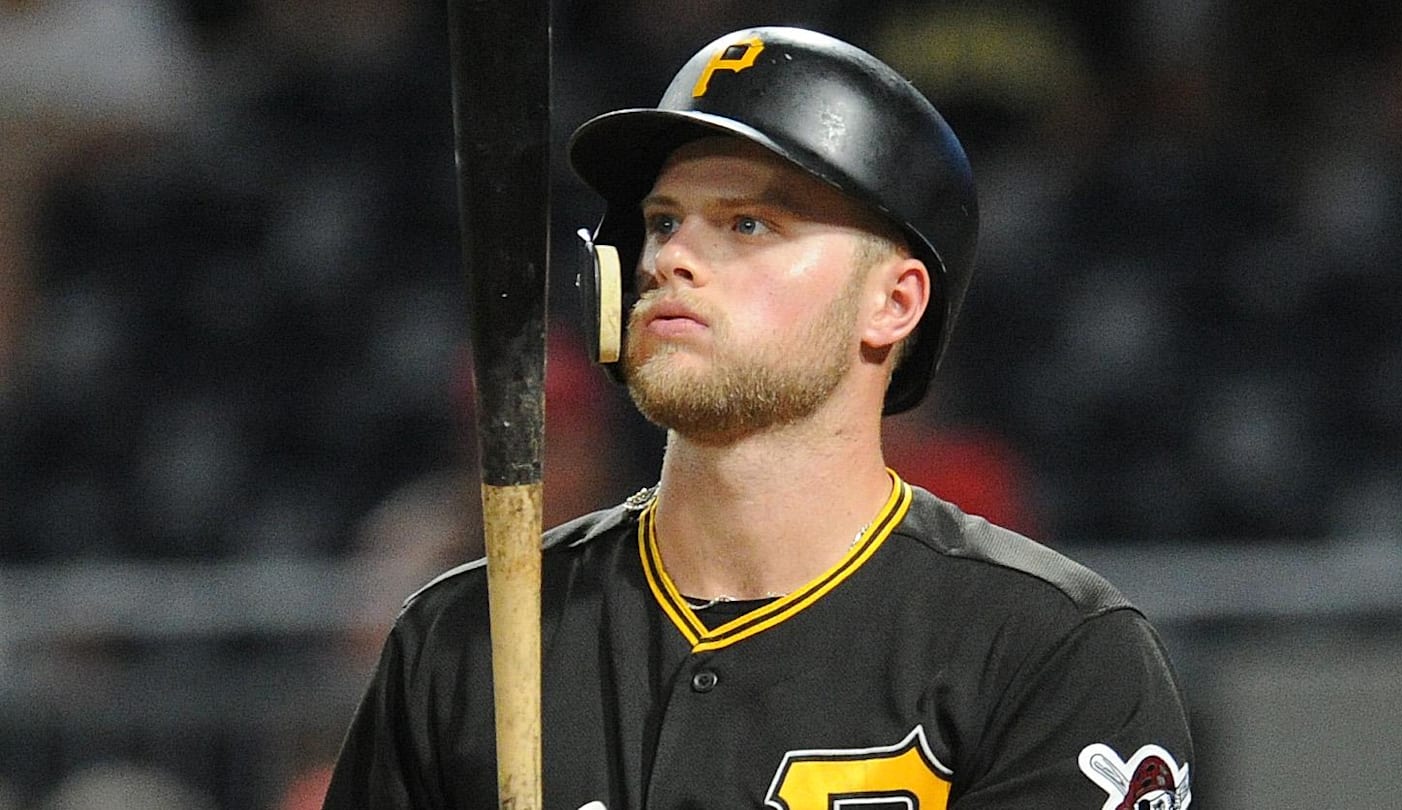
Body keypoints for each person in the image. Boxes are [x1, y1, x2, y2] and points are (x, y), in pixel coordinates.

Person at [322, 26, 1194, 809]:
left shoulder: (1050, 656)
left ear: (893, 302)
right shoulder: (463, 641)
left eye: (748, 222)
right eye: (662, 223)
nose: (674, 258)